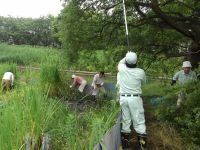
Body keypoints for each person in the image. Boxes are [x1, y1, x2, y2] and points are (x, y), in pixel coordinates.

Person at [117, 51, 147, 150]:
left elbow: (120, 62)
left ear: (126, 61)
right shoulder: (141, 72)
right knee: (139, 122)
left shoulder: (122, 69)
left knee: (126, 121)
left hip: (123, 99)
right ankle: (142, 147)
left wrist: (127, 55)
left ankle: (125, 145)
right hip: (135, 98)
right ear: (136, 61)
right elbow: (143, 82)